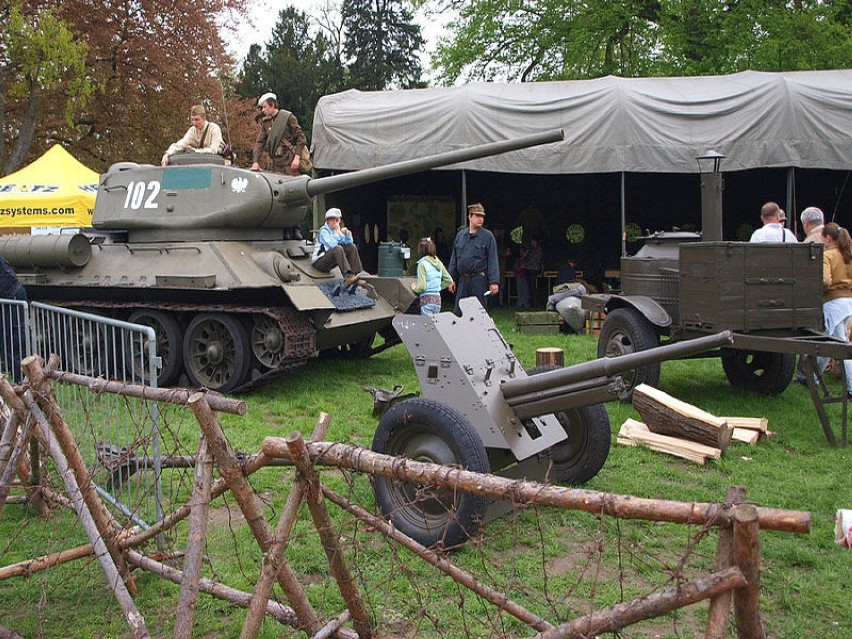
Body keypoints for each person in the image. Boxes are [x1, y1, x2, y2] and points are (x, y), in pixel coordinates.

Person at [818, 223, 852, 397]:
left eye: (823, 238)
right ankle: (814, 377)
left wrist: (819, 294)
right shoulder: (848, 254)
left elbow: (825, 281)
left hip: (833, 302)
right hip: (848, 301)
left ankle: (851, 387)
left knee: (837, 343)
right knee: (835, 341)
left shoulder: (828, 255)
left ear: (828, 238)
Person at [448, 202, 500, 315]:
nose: (480, 219)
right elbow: (454, 259)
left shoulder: (488, 236)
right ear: (470, 217)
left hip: (479, 279)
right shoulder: (460, 236)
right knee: (458, 312)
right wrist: (450, 279)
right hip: (463, 279)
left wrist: (494, 282)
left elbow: (493, 260)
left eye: (482, 216)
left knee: (478, 312)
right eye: (477, 216)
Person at [251, 92, 307, 176]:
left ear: (272, 105)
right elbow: (260, 143)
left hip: (290, 162)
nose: (262, 110)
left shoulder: (288, 117)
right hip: (276, 164)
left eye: (264, 107)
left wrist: (297, 157)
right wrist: (255, 162)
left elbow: (301, 138)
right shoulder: (266, 122)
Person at [312, 208, 364, 287]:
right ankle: (347, 276)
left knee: (351, 247)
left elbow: (348, 242)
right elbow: (332, 245)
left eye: (337, 220)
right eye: (333, 220)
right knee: (337, 248)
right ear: (328, 221)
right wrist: (337, 233)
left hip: (330, 261)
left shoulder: (336, 231)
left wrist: (347, 234)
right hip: (319, 262)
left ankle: (355, 274)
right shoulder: (324, 231)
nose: (335, 223)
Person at [0, 256, 27, 382]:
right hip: (8, 296)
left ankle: (21, 383)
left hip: (11, 296)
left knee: (14, 342)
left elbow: (5, 281)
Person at [411, 237, 454, 316]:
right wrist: (437, 287)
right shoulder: (439, 263)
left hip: (426, 299)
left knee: (428, 326)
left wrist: (414, 287)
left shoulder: (422, 264)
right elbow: (449, 280)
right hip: (437, 299)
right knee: (435, 323)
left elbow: (422, 287)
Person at [515, 237, 542, 308]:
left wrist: (524, 265)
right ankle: (532, 302)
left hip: (534, 269)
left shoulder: (538, 250)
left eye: (532, 241)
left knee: (532, 287)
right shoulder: (531, 250)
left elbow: (534, 260)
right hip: (529, 269)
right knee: (530, 287)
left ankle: (535, 303)